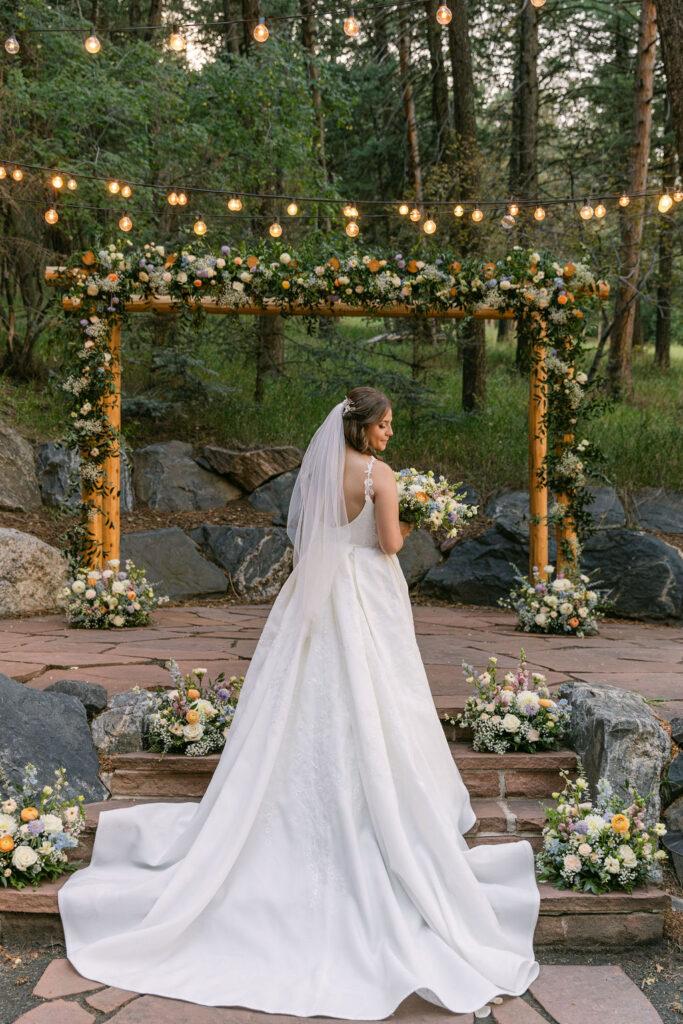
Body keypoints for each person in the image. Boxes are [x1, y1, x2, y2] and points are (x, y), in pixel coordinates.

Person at [59, 386, 540, 1020]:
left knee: (300, 694)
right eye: (386, 425)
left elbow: (312, 536)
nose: (391, 434)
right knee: (376, 699)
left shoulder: (317, 476)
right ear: (363, 429)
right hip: (367, 594)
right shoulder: (380, 476)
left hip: (315, 594)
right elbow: (391, 545)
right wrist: (410, 511)